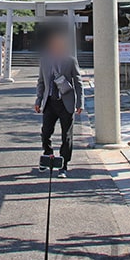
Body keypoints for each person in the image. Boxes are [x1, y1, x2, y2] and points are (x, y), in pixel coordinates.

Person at [35, 32, 83, 178]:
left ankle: (64, 165)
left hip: (65, 102)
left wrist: (80, 102)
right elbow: (41, 82)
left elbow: (78, 83)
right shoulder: (45, 61)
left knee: (66, 135)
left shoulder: (70, 61)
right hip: (49, 101)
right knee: (45, 132)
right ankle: (48, 155)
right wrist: (38, 100)